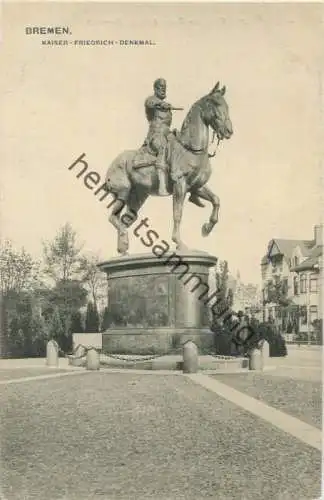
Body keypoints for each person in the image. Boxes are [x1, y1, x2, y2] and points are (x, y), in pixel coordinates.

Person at [144, 78, 182, 195]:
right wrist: (160, 104)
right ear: (155, 89)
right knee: (162, 147)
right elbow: (150, 104)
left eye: (165, 87)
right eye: (161, 87)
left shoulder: (168, 108)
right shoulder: (151, 100)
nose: (163, 89)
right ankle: (161, 185)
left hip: (167, 134)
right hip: (156, 135)